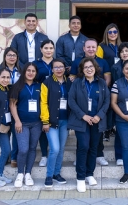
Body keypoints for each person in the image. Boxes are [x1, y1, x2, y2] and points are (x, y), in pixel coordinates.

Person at [67, 58, 110, 193]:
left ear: (95, 68)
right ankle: (80, 177)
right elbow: (71, 100)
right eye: (86, 67)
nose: (89, 69)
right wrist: (83, 115)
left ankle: (89, 174)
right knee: (83, 146)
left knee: (93, 147)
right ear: (82, 70)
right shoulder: (77, 83)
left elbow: (107, 101)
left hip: (97, 121)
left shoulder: (102, 83)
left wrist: (99, 116)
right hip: (81, 120)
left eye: (91, 66)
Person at [70, 38, 111, 166]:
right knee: (82, 136)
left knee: (97, 134)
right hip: (83, 101)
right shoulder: (76, 62)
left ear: (97, 48)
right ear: (84, 48)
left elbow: (107, 78)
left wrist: (102, 88)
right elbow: (72, 79)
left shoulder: (103, 62)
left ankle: (99, 155)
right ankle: (80, 157)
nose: (91, 49)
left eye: (93, 47)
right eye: (88, 47)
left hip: (98, 99)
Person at [9, 63, 42, 187]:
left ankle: (28, 174)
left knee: (32, 148)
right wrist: (17, 121)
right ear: (24, 71)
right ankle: (20, 174)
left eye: (33, 71)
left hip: (36, 123)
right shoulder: (17, 86)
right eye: (28, 70)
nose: (31, 73)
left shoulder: (39, 86)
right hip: (22, 123)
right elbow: (13, 105)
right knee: (23, 149)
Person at [40, 58, 72, 188]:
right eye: (56, 67)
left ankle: (56, 174)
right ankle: (49, 175)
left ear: (64, 68)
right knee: (55, 149)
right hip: (52, 122)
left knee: (62, 148)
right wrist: (45, 121)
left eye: (61, 67)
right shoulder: (46, 83)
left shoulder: (69, 82)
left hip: (65, 120)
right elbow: (43, 103)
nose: (59, 69)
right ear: (52, 69)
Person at [0, 47, 21, 168]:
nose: (12, 57)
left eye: (14, 55)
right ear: (5, 56)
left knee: (17, 131)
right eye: (9, 55)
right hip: (3, 105)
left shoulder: (21, 70)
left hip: (18, 104)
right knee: (5, 129)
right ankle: (6, 155)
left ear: (17, 57)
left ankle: (14, 157)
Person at [96, 23, 122, 142]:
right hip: (107, 79)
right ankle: (107, 128)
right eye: (110, 32)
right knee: (108, 105)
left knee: (118, 103)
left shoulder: (121, 46)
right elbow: (98, 63)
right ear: (106, 34)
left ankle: (113, 127)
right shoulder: (101, 47)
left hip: (120, 78)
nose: (112, 34)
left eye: (115, 32)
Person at [33, 39, 56, 167]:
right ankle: (44, 155)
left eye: (51, 48)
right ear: (41, 49)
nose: (48, 50)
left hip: (55, 98)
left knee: (53, 124)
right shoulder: (35, 64)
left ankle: (54, 152)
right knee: (43, 125)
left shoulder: (57, 63)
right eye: (46, 48)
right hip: (39, 97)